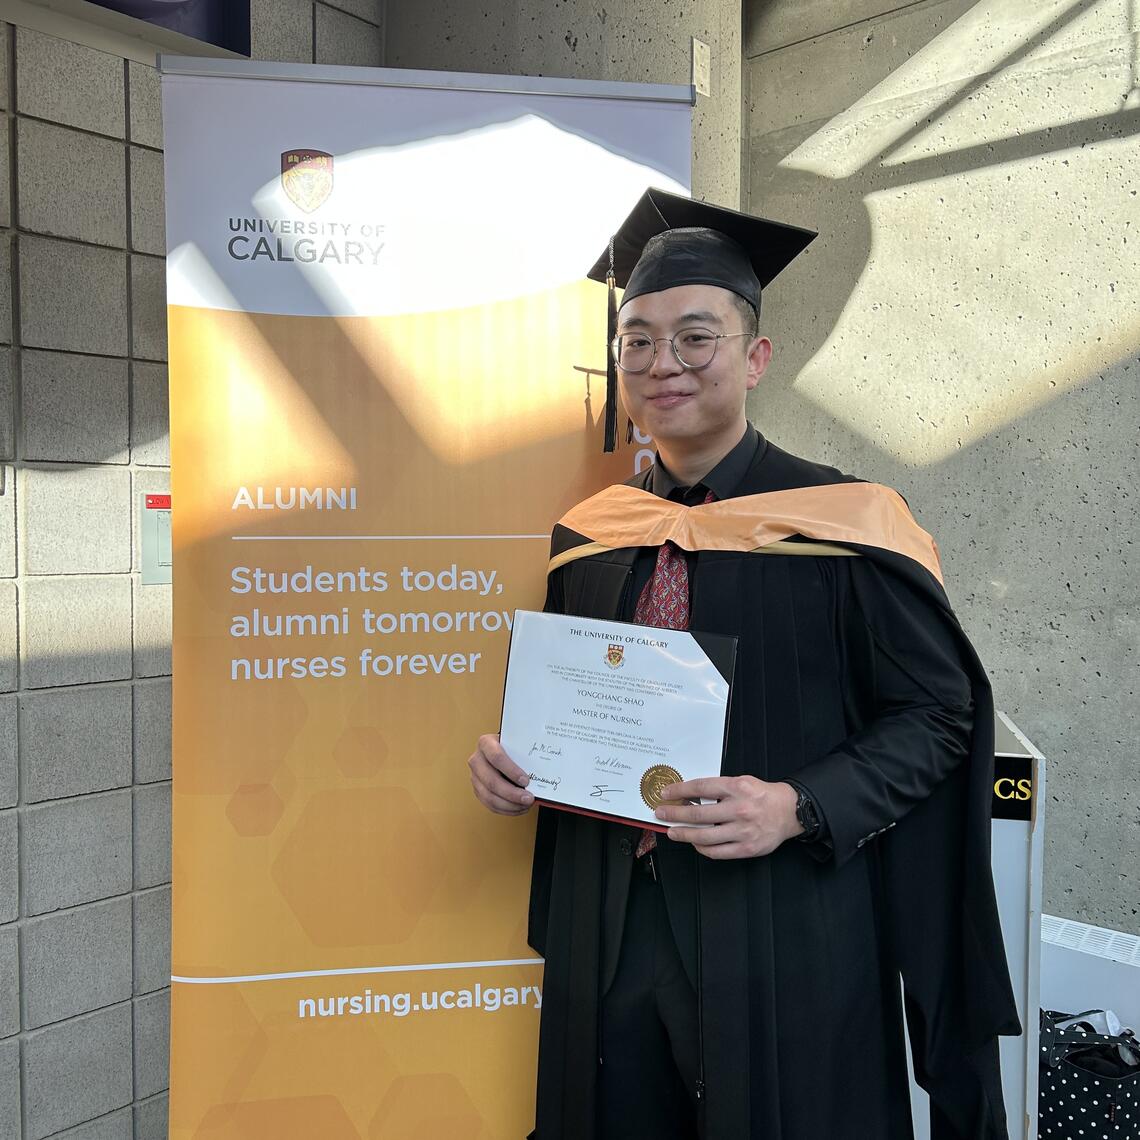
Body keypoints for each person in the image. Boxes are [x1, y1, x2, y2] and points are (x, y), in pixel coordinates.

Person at [468, 189, 1020, 1139]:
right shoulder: (593, 535)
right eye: (636, 341)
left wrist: (799, 804)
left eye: (694, 337)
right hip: (612, 928)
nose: (660, 364)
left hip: (787, 929)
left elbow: (940, 718)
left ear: (755, 357)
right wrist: (522, 767)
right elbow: (574, 708)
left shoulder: (846, 525)